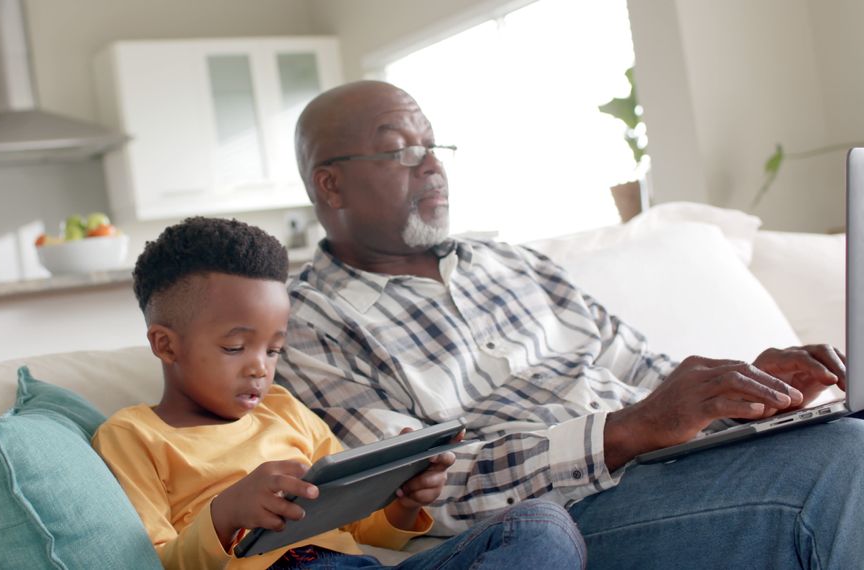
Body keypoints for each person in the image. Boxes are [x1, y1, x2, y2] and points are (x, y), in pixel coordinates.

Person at [275, 80, 864, 569]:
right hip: (564, 515)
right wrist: (628, 430)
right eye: (402, 150)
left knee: (840, 435)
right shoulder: (306, 320)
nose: (432, 166)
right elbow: (411, 494)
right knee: (845, 459)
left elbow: (655, 378)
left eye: (434, 146)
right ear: (331, 183)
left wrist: (746, 397)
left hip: (675, 465)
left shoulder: (518, 264)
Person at [91, 216, 587, 570]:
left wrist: (401, 501)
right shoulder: (132, 435)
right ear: (165, 345)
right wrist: (225, 513)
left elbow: (361, 530)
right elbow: (153, 561)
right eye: (236, 347)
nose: (259, 369)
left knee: (542, 526)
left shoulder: (284, 411)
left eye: (274, 349)